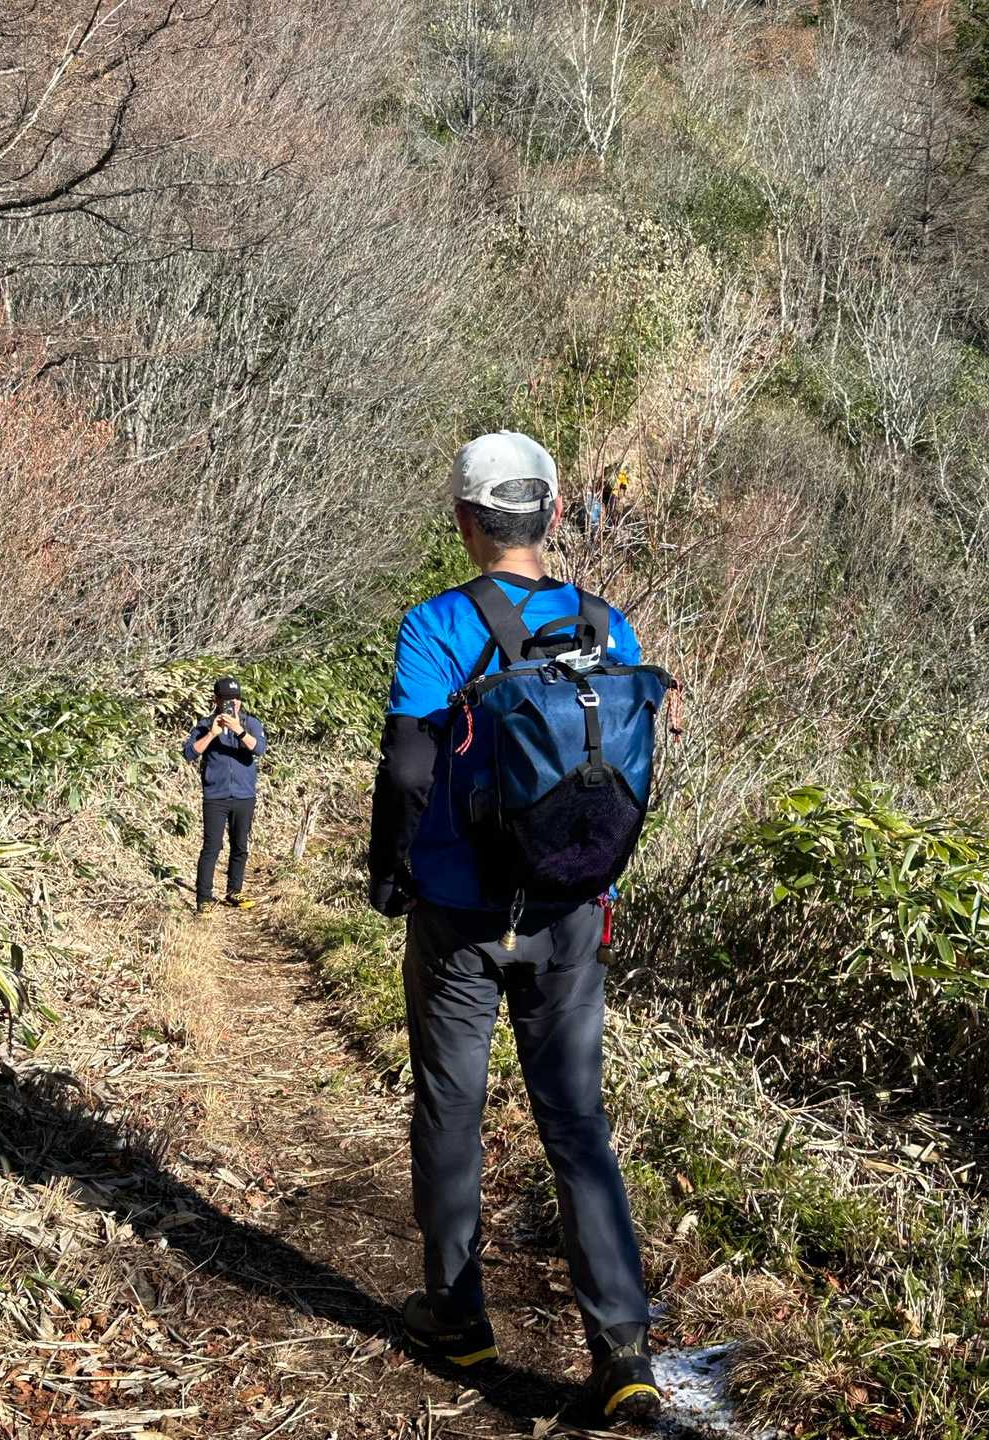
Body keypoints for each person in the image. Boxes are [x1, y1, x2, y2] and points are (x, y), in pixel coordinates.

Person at [368, 431, 661, 1425]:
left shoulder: (436, 625)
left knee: (451, 1108)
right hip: (572, 912)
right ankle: (622, 1350)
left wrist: (390, 871)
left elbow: (409, 767)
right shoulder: (608, 625)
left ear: (464, 520)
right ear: (555, 514)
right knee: (576, 1119)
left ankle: (457, 1316)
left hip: (459, 913)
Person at [183, 676, 267, 914]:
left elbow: (260, 749)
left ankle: (234, 891)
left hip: (244, 795)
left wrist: (239, 730)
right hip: (215, 796)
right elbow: (189, 753)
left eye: (236, 699)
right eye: (228, 699)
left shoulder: (251, 723)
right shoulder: (205, 725)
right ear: (216, 700)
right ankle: (204, 899)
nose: (233, 704)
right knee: (211, 847)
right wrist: (212, 734)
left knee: (240, 845)